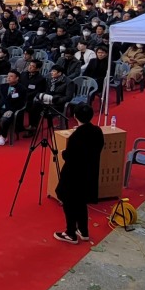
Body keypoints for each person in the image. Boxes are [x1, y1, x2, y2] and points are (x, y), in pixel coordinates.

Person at [54, 104, 102, 244]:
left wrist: (63, 153)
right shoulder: (97, 131)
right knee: (81, 201)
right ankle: (83, 230)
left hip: (74, 174)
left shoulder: (76, 136)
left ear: (75, 116)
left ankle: (71, 233)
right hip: (90, 172)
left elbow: (70, 156)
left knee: (69, 201)